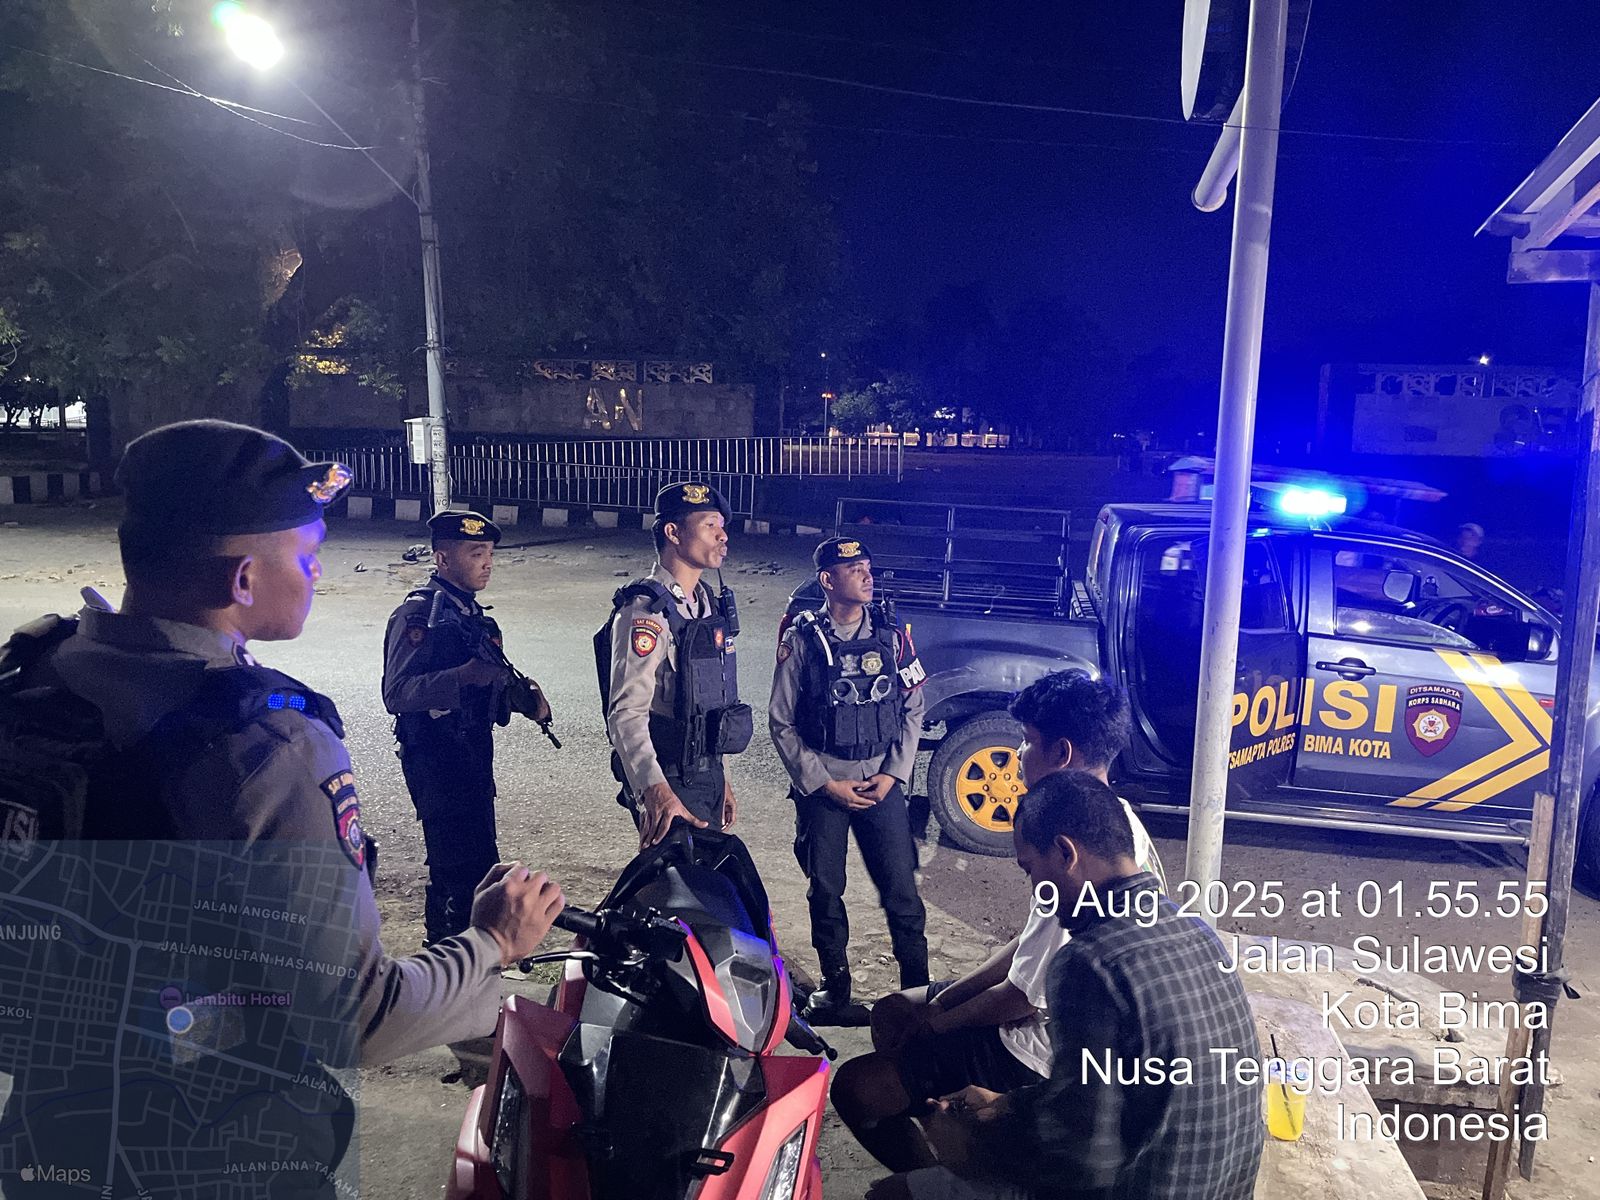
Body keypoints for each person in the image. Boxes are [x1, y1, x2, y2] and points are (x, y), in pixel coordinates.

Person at [0, 420, 564, 1199]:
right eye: (305, 556)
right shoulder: (268, 744)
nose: (317, 571)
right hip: (220, 1159)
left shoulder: (33, 679)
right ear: (242, 579)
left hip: (54, 1140)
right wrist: (492, 941)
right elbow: (356, 1017)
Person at [869, 771, 1262, 1200]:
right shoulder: (1197, 931)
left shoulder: (1089, 961)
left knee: (891, 1195)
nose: (1036, 890)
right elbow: (1107, 1094)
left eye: (1031, 870)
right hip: (1224, 1187)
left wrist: (972, 1147)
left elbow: (1084, 1161)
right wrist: (1006, 1105)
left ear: (1065, 852)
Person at [833, 670, 1164, 1171]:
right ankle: (949, 1130)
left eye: (1027, 741)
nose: (1019, 754)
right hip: (1037, 1007)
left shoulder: (1078, 852)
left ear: (1062, 753)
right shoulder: (1101, 816)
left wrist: (935, 1025)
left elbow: (1021, 999)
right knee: (894, 1011)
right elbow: (1029, 947)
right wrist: (942, 1001)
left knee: (857, 1086)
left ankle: (944, 1178)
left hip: (1047, 1049)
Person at [769, 537, 929, 1023]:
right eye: (854, 568)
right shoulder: (802, 640)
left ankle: (918, 998)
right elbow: (782, 722)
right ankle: (835, 992)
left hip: (881, 784)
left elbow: (913, 708)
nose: (866, 575)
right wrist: (822, 784)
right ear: (827, 580)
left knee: (903, 894)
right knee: (825, 891)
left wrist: (893, 774)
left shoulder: (892, 636)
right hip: (826, 788)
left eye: (867, 566)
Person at [383, 509, 551, 945]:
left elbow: (485, 686)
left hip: (472, 756)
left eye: (490, 553)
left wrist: (521, 699)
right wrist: (461, 677)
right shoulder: (418, 616)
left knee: (479, 865)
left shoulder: (474, 617)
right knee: (454, 869)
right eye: (476, 553)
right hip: (435, 759)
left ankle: (468, 957)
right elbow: (396, 693)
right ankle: (444, 953)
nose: (487, 563)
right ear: (443, 559)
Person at [601, 481, 749, 849]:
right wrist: (654, 789)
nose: (722, 536)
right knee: (681, 879)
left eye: (722, 526)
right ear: (673, 533)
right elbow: (625, 713)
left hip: (707, 773)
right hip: (670, 776)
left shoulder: (707, 605)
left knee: (713, 872)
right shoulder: (645, 611)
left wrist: (723, 778)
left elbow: (713, 702)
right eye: (709, 525)